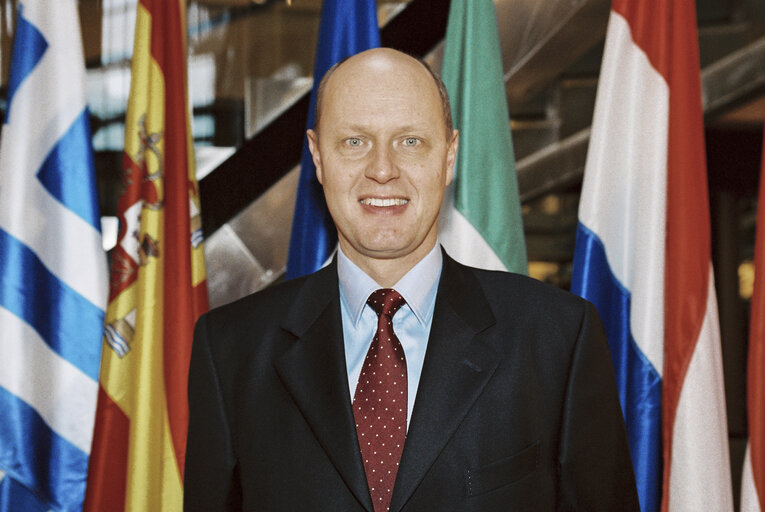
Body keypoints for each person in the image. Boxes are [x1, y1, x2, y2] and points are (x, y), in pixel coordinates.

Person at [184, 48, 639, 512]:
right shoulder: (230, 352)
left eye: (410, 141)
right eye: (354, 142)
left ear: (449, 156)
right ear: (318, 157)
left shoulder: (558, 339)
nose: (382, 169)